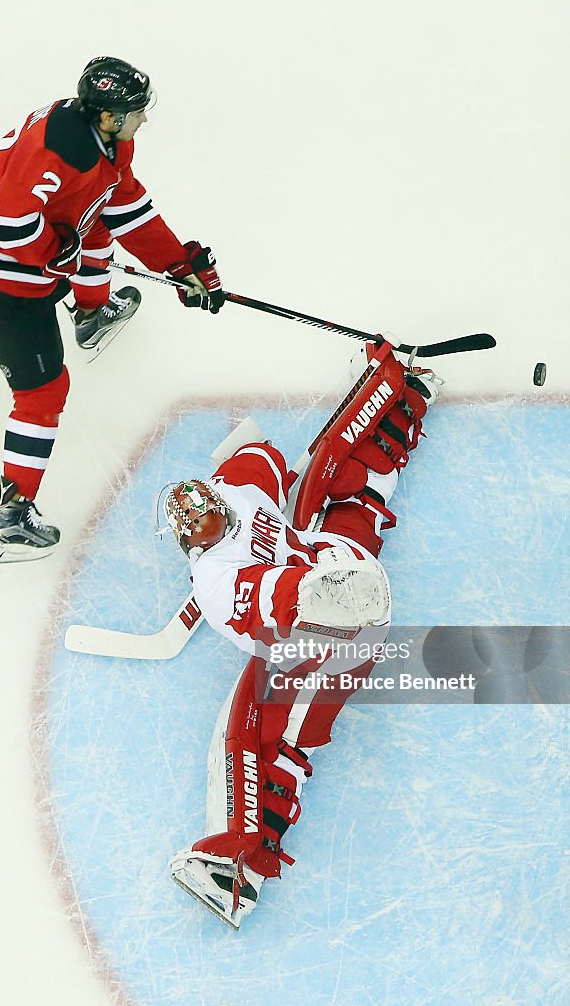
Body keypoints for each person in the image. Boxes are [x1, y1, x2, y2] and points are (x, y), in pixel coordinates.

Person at [159, 340, 443, 928]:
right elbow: (263, 455)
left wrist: (316, 589)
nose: (201, 532)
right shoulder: (241, 491)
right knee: (337, 478)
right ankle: (407, 392)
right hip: (340, 557)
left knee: (254, 735)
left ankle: (241, 867)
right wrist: (379, 381)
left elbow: (281, 607)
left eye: (199, 522)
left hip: (338, 640)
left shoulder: (214, 580)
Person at [0, 55, 224, 563]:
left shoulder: (103, 138)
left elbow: (121, 203)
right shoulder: (65, 152)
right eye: (137, 111)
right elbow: (9, 224)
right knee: (44, 392)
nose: (145, 119)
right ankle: (12, 516)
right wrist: (54, 255)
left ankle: (92, 314)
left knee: (93, 222)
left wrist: (178, 264)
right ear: (109, 116)